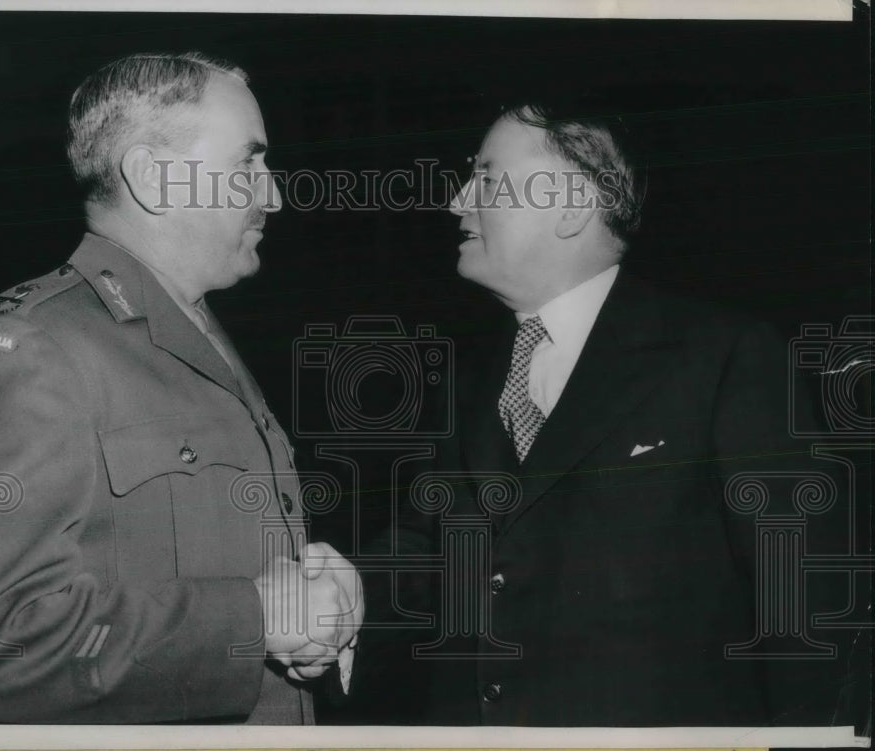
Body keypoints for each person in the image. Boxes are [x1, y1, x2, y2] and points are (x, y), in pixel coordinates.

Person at [358, 100, 852, 726]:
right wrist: (340, 589)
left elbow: (805, 612)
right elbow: (429, 553)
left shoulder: (722, 358)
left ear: (569, 207)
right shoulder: (466, 381)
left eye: (485, 177)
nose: (457, 200)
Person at [0, 52, 362, 725]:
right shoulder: (34, 346)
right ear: (155, 178)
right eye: (248, 164)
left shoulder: (198, 330)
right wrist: (258, 616)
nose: (271, 194)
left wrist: (317, 611)